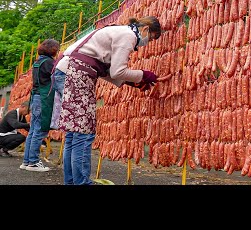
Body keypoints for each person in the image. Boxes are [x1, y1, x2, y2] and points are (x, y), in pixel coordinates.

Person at [55, 16, 160, 185]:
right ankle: (81, 183)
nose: (148, 43)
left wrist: (133, 82)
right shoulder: (128, 35)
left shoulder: (117, 31)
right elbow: (118, 71)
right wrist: (144, 75)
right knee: (83, 131)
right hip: (77, 73)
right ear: (146, 29)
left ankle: (72, 182)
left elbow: (107, 71)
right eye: (152, 38)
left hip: (67, 71)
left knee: (74, 133)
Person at [21, 39, 60, 171]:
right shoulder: (49, 62)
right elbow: (57, 78)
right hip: (43, 98)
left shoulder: (38, 62)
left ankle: (26, 161)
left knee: (33, 130)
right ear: (53, 49)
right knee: (39, 130)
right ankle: (33, 162)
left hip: (35, 97)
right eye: (57, 48)